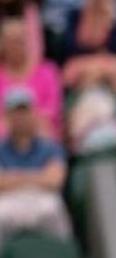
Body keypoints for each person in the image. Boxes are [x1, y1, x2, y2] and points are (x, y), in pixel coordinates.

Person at [0, 86, 71, 245]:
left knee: (54, 210)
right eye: (15, 112)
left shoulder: (50, 146)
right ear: (7, 116)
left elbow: (54, 181)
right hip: (9, 200)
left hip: (42, 199)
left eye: (24, 111)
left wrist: (15, 177)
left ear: (33, 113)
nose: (20, 117)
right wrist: (38, 176)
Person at [0, 16, 62, 140]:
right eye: (11, 42)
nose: (16, 46)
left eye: (20, 41)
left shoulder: (48, 71)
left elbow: (53, 111)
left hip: (41, 134)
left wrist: (26, 121)